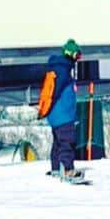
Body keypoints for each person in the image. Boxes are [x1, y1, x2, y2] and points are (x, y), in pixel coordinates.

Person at [37, 39, 81, 179]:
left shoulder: (59, 68)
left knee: (58, 141)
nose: (78, 59)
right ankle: (67, 169)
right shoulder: (62, 70)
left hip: (57, 115)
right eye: (77, 56)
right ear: (71, 54)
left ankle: (56, 168)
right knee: (67, 141)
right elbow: (55, 92)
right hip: (63, 114)